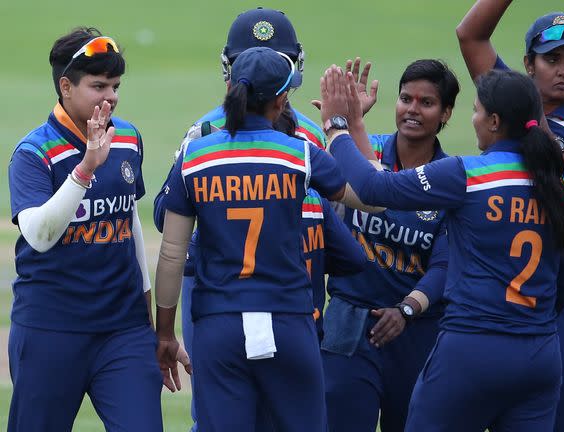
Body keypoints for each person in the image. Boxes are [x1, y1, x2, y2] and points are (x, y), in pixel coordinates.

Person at [322, 65, 564, 431]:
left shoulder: (468, 175)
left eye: (475, 111)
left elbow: (373, 188)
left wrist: (336, 127)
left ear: (493, 121)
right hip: (540, 354)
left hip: (471, 348)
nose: (473, 119)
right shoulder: (561, 189)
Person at [151, 7, 366, 428]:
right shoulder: (308, 136)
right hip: (288, 293)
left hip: (223, 300)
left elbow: (167, 224)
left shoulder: (203, 138)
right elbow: (353, 204)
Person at [457, 3, 564, 430]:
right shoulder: (509, 99)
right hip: (505, 292)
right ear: (528, 64)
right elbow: (470, 36)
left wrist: (549, 141)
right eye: (552, 59)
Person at [7, 27, 162, 431]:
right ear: (65, 86)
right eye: (97, 86)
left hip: (122, 331)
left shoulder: (127, 139)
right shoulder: (33, 153)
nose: (109, 96)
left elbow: (128, 221)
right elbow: (39, 236)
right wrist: (85, 168)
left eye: (115, 85)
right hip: (50, 330)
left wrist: (148, 319)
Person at [321, 58, 457, 432]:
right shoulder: (364, 150)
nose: (412, 110)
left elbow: (445, 266)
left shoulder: (450, 178)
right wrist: (349, 125)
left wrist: (406, 309)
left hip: (416, 333)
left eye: (426, 103)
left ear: (446, 113)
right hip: (348, 322)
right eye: (405, 98)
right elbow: (320, 170)